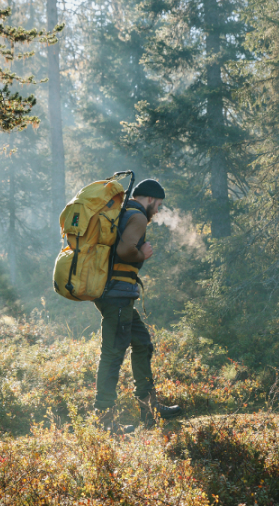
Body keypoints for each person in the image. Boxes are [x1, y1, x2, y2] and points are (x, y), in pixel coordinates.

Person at [93, 178, 183, 432]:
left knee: (142, 342)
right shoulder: (138, 216)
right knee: (112, 354)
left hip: (116, 295)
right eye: (158, 204)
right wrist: (142, 253)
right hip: (117, 296)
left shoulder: (124, 213)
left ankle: (150, 408)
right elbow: (124, 250)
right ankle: (105, 422)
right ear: (151, 198)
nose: (158, 210)